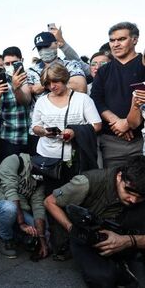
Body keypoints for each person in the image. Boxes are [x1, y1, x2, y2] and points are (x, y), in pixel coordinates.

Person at [31, 63, 102, 260]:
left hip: (75, 158)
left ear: (64, 79)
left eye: (55, 81)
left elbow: (97, 125)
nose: (52, 86)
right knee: (52, 199)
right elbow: (34, 126)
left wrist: (74, 131)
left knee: (77, 200)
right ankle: (60, 244)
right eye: (47, 83)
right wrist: (44, 131)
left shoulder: (82, 99)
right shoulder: (42, 101)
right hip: (49, 160)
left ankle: (79, 242)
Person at [44, 156, 145, 287]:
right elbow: (49, 202)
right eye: (129, 192)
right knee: (103, 278)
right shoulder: (85, 183)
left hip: (124, 229)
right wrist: (70, 228)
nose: (133, 200)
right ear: (120, 176)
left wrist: (128, 240)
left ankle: (126, 258)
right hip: (87, 232)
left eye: (140, 197)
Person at [91, 22, 145, 169]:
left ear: (134, 39)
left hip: (140, 140)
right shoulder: (103, 71)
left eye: (121, 39)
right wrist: (116, 121)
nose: (115, 44)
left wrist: (127, 124)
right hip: (109, 141)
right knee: (112, 185)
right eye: (112, 40)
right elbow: (96, 99)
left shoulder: (142, 64)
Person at [0, 153, 48, 259]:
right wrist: (22, 223)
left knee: (39, 230)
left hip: (20, 210)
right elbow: (11, 192)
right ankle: (5, 238)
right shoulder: (14, 161)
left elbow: (38, 207)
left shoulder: (40, 178)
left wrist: (42, 241)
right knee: (9, 208)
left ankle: (16, 234)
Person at [0, 46, 31, 160]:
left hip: (31, 137)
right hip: (9, 139)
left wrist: (16, 88)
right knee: (9, 175)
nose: (10, 66)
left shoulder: (31, 78)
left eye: (14, 63)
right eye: (7, 63)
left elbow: (26, 101)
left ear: (21, 61)